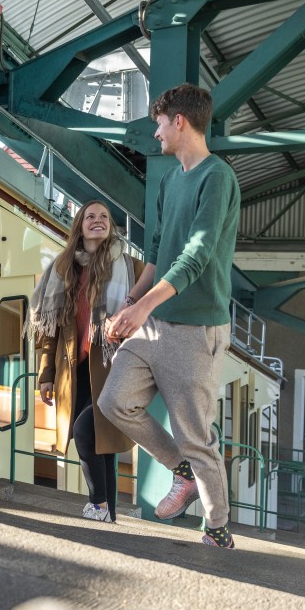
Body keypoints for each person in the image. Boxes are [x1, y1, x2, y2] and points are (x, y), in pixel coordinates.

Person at [99, 83, 241, 549]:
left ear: (179, 120)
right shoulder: (168, 179)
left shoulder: (217, 177)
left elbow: (196, 256)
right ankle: (179, 471)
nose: (155, 132)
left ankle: (217, 530)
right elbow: (158, 254)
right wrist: (129, 306)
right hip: (156, 321)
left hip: (197, 329)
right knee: (114, 401)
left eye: (159, 122)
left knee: (196, 437)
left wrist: (143, 306)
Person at [27, 200, 138, 523]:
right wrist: (46, 372)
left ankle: (99, 505)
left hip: (114, 369)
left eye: (104, 216)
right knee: (96, 443)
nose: (98, 220)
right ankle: (108, 515)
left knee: (86, 432)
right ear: (80, 225)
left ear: (112, 227)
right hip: (72, 373)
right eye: (90, 216)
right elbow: (50, 329)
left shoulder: (130, 267)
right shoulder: (63, 268)